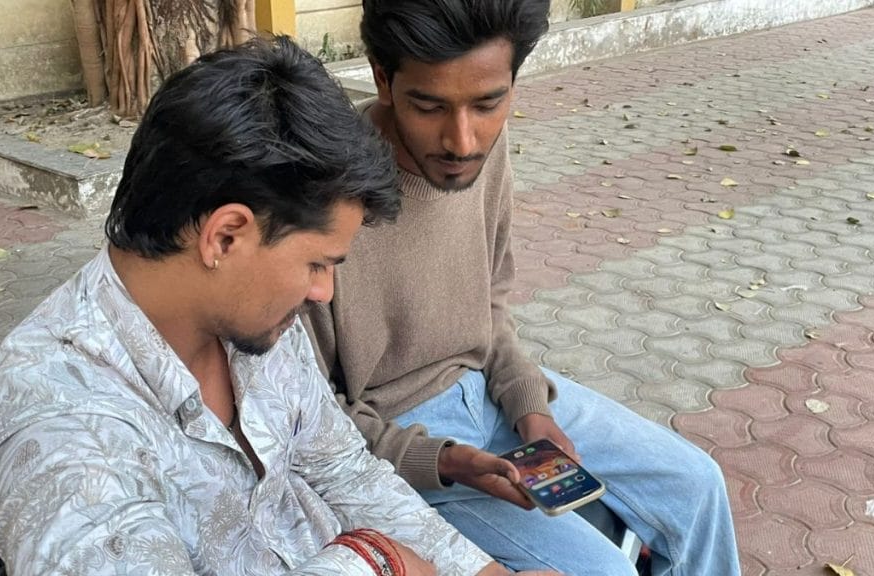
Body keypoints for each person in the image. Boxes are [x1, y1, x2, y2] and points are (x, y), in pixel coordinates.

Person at [0, 36, 550, 576]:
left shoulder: (256, 323)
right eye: (316, 263)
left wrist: (481, 571)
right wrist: (376, 559)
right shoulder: (55, 414)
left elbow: (343, 469)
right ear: (226, 237)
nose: (322, 292)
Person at [302, 1, 742, 574]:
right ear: (383, 79)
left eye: (488, 103)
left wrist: (531, 408)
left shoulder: (487, 149)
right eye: (429, 105)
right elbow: (312, 420)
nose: (462, 142)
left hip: (492, 393)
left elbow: (490, 306)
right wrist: (448, 462)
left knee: (697, 484)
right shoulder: (319, 199)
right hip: (402, 443)